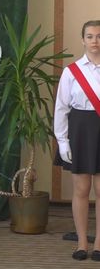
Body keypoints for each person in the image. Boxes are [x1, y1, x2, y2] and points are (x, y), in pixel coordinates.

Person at [55, 20, 100, 261]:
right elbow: (61, 108)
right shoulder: (71, 72)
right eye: (90, 36)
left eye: (99, 36)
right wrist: (62, 141)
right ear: (83, 40)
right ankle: (82, 242)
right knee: (81, 189)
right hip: (80, 130)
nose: (95, 41)